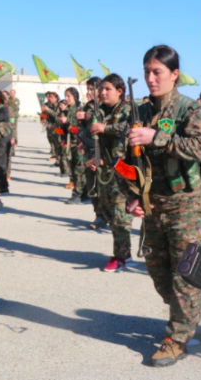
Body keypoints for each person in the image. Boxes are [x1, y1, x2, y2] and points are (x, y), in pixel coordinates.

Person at [124, 45, 201, 367]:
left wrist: (155, 137)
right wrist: (132, 196)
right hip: (152, 204)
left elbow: (199, 148)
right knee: (158, 271)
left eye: (157, 71)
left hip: (185, 204)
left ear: (174, 75)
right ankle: (186, 314)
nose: (150, 78)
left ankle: (177, 336)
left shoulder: (190, 110)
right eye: (147, 71)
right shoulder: (141, 112)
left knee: (183, 274)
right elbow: (126, 162)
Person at [89, 74, 134, 271]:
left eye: (108, 89)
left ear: (119, 91)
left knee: (120, 214)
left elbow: (131, 128)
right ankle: (123, 251)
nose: (103, 92)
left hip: (123, 169)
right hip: (106, 169)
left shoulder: (128, 109)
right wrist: (95, 157)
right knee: (108, 211)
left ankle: (122, 255)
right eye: (101, 89)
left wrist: (105, 128)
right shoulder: (101, 111)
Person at [77, 77, 105, 225]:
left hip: (102, 150)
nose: (89, 92)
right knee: (91, 184)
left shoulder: (104, 105)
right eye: (87, 89)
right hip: (88, 150)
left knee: (103, 185)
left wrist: (87, 115)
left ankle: (106, 215)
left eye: (91, 89)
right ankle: (98, 214)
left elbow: (101, 119)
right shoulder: (88, 106)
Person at [59, 88, 86, 204]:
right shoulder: (68, 110)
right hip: (71, 144)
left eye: (68, 96)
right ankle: (80, 192)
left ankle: (79, 194)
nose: (66, 99)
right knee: (73, 170)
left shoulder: (79, 110)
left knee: (79, 170)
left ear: (75, 97)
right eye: (65, 96)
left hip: (79, 144)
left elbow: (79, 129)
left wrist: (67, 121)